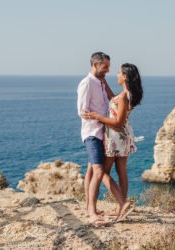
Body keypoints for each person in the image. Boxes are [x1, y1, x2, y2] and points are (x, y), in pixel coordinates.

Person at [82, 63, 143, 221]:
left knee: (102, 173)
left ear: (125, 77)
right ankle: (121, 206)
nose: (116, 74)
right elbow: (112, 99)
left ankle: (122, 203)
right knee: (122, 171)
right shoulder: (127, 95)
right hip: (124, 137)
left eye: (119, 73)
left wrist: (96, 116)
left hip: (116, 136)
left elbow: (117, 122)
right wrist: (104, 82)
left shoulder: (123, 97)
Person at [77, 52, 114, 225]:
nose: (108, 70)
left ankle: (88, 207)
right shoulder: (87, 83)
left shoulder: (100, 83)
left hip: (102, 132)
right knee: (99, 171)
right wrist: (100, 117)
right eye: (105, 66)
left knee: (91, 171)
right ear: (95, 64)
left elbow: (110, 101)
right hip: (92, 133)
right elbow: (82, 112)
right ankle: (92, 212)